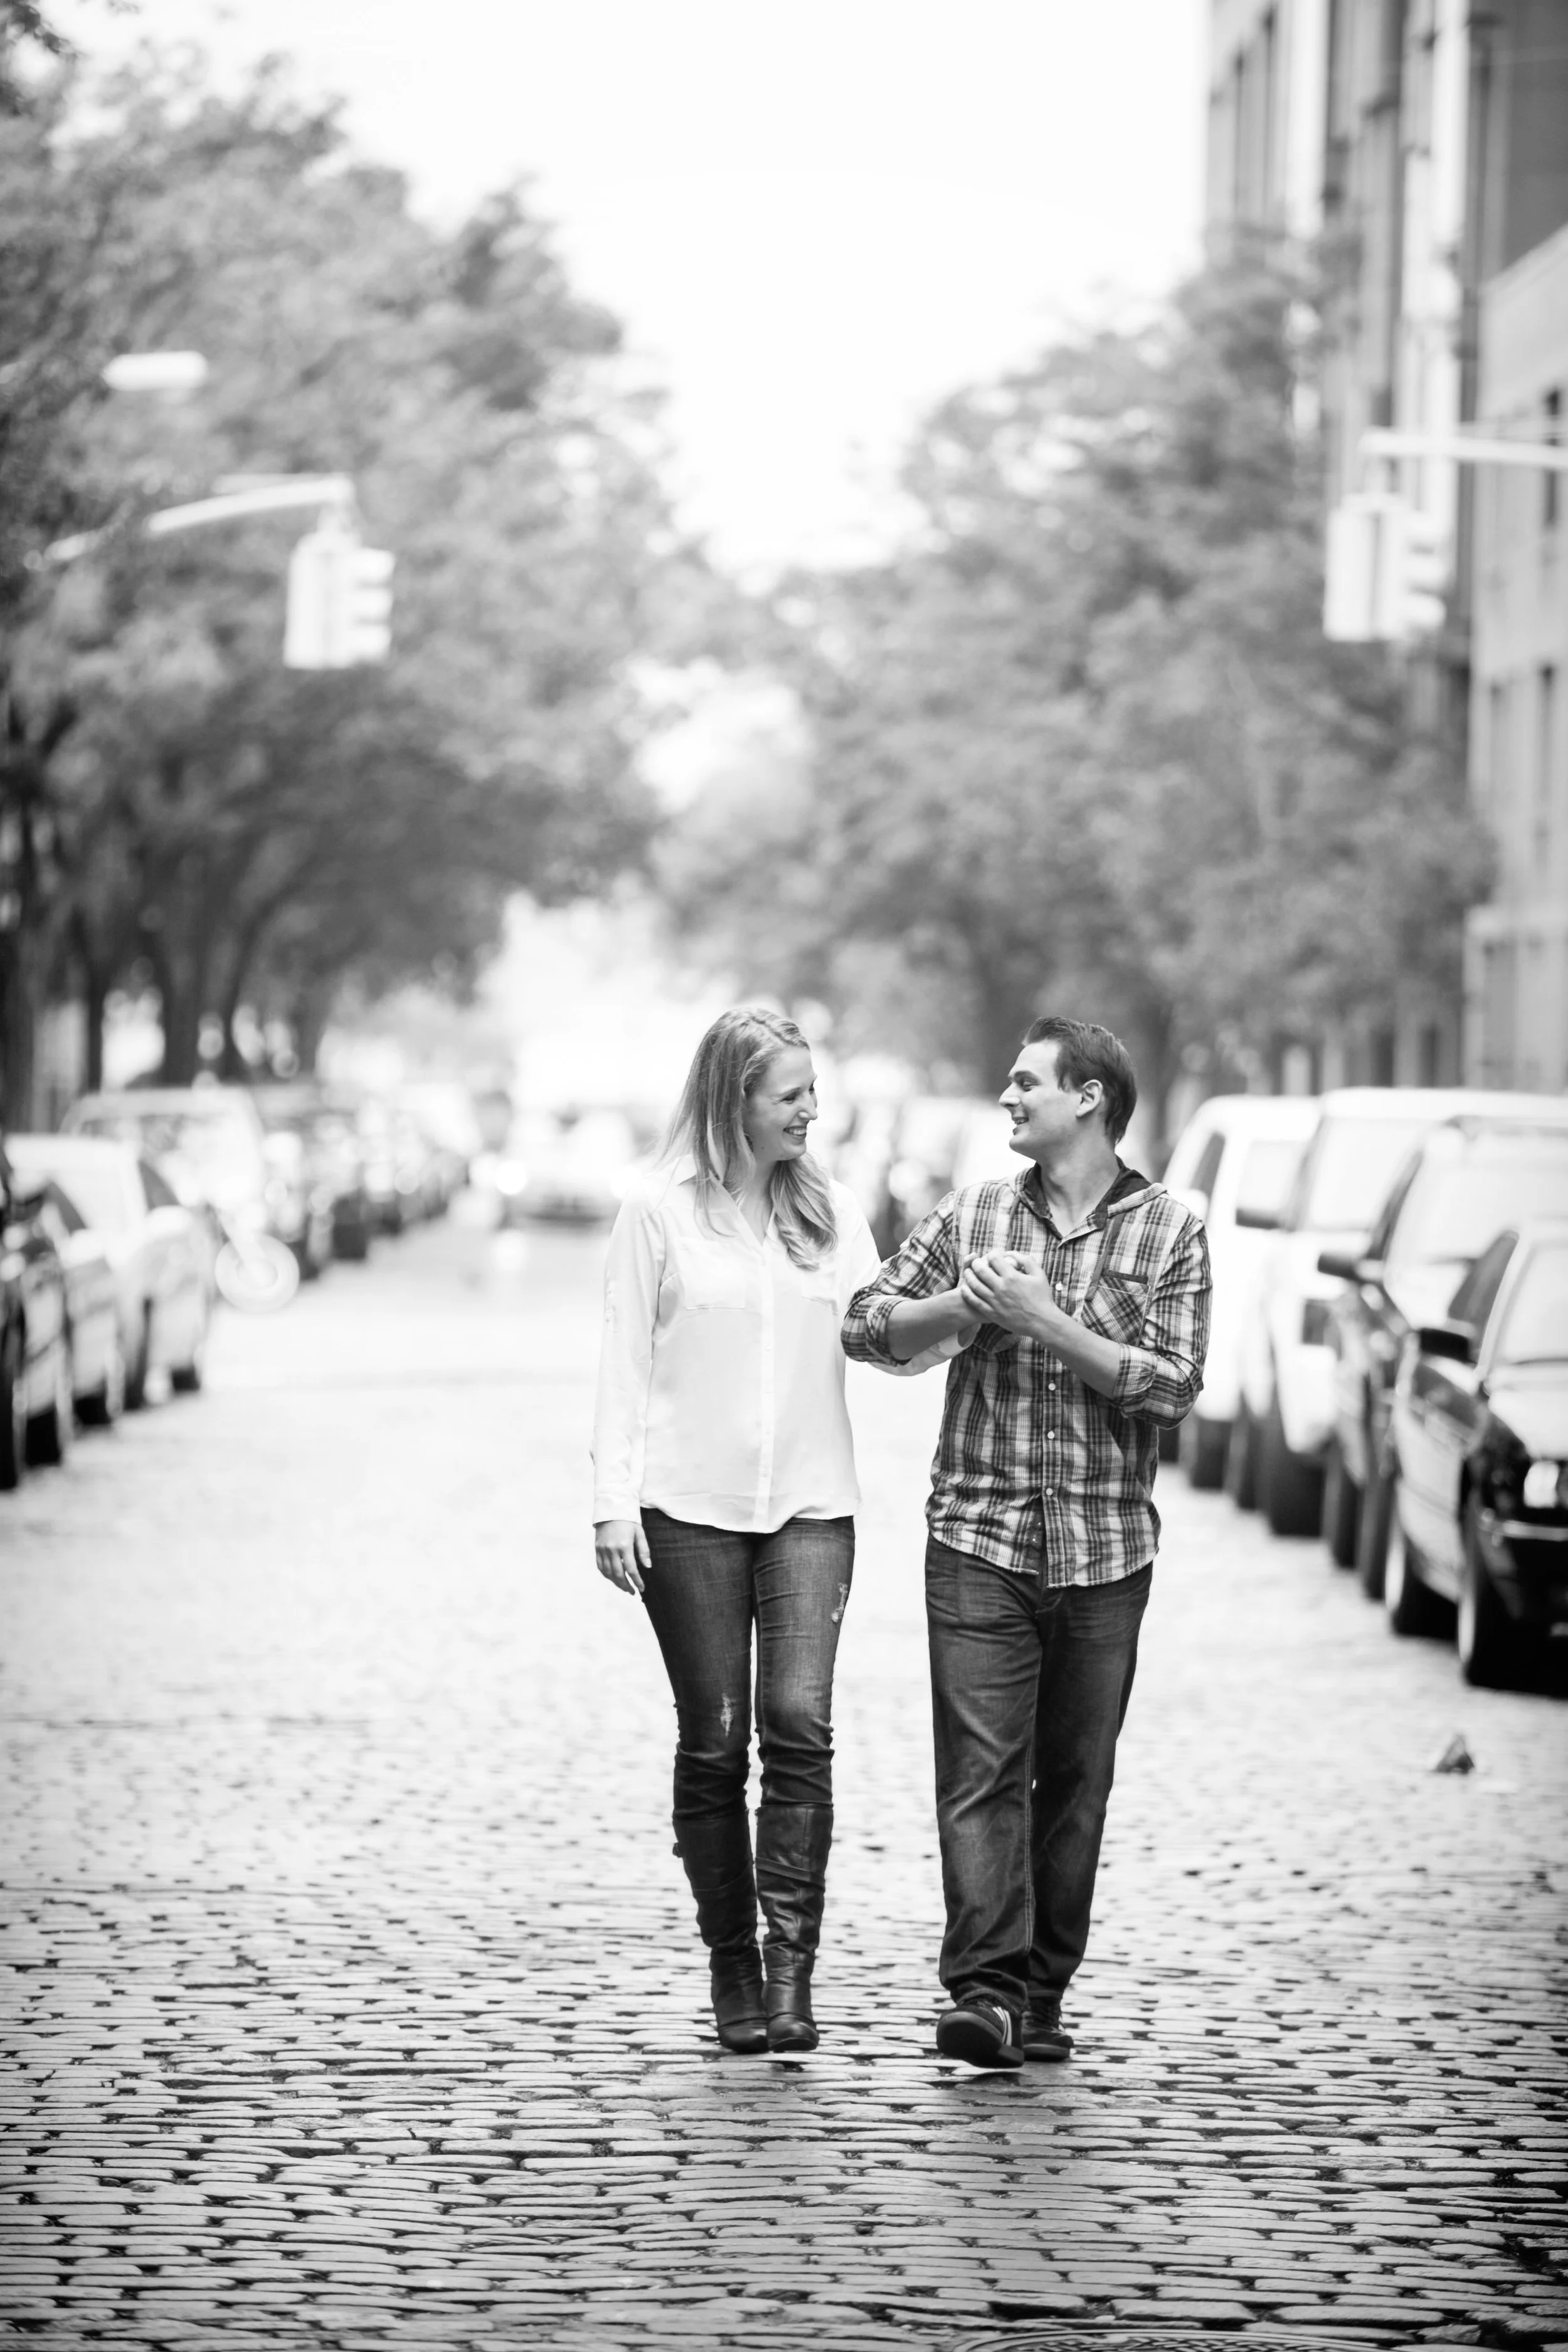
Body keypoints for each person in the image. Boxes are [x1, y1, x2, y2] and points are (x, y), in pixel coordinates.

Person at [842, 1017, 1210, 2070]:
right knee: (979, 1775)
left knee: (1075, 1783)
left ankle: (1043, 1991)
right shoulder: (975, 1214)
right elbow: (868, 1323)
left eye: (1026, 1082)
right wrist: (963, 1305)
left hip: (1105, 1554)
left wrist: (1048, 1322)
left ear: (1089, 1098)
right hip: (977, 1537)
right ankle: (988, 1993)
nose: (1007, 1098)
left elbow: (1174, 1387)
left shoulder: (1171, 1232)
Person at [593, 1007, 918, 2055]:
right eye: (792, 1095)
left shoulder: (829, 1211)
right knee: (716, 1737)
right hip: (686, 1510)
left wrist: (956, 1318)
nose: (812, 1111)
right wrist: (611, 1498)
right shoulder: (656, 1212)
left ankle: (791, 1976)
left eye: (815, 1092)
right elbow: (623, 1361)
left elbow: (882, 1335)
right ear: (735, 1097)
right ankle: (733, 1967)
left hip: (813, 1507)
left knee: (798, 1721)